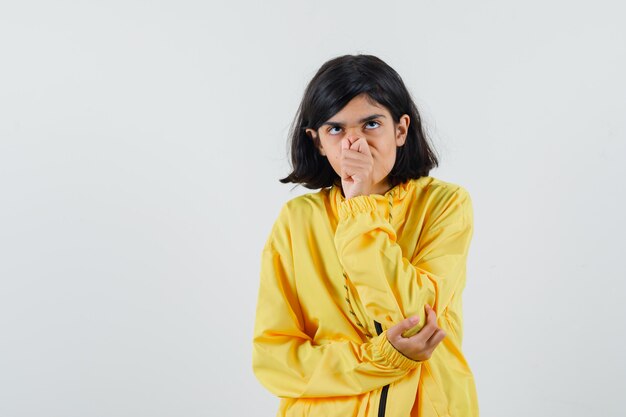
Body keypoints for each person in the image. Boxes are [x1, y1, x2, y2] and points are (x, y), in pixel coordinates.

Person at [251, 54, 479, 417]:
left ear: (400, 129)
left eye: (371, 124)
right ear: (317, 142)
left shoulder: (445, 204)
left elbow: (415, 320)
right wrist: (383, 358)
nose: (353, 145)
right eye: (336, 129)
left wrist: (359, 207)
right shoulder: (297, 220)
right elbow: (274, 359)